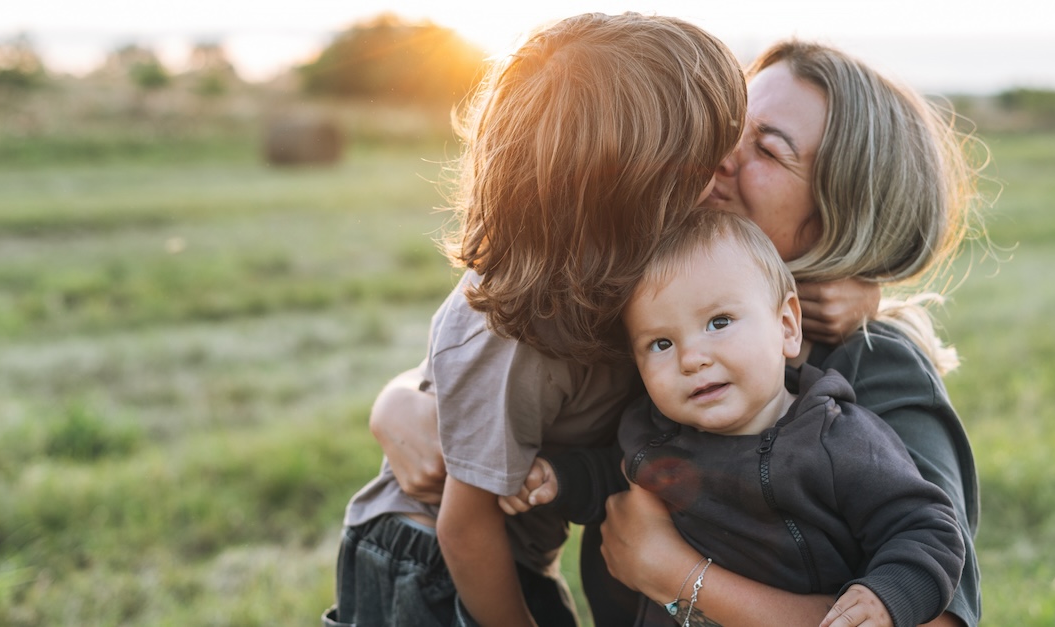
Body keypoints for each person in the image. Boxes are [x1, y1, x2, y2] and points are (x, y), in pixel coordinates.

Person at [368, 38, 984, 627]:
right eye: (728, 130)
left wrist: (677, 575)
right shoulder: (661, 301)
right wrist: (405, 399)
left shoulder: (875, 363)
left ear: (846, 211)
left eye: (767, 150)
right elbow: (509, 355)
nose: (717, 157)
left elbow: (932, 608)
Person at [322, 12, 747, 627]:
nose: (726, 169)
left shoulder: (626, 273)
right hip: (429, 557)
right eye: (705, 159)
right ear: (633, 188)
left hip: (504, 554)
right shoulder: (521, 331)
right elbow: (464, 527)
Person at [498, 210, 965, 627]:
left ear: (786, 326)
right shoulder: (654, 433)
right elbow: (613, 477)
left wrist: (886, 596)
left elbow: (926, 527)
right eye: (661, 343)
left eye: (719, 322)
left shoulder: (838, 439)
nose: (691, 359)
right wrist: (559, 480)